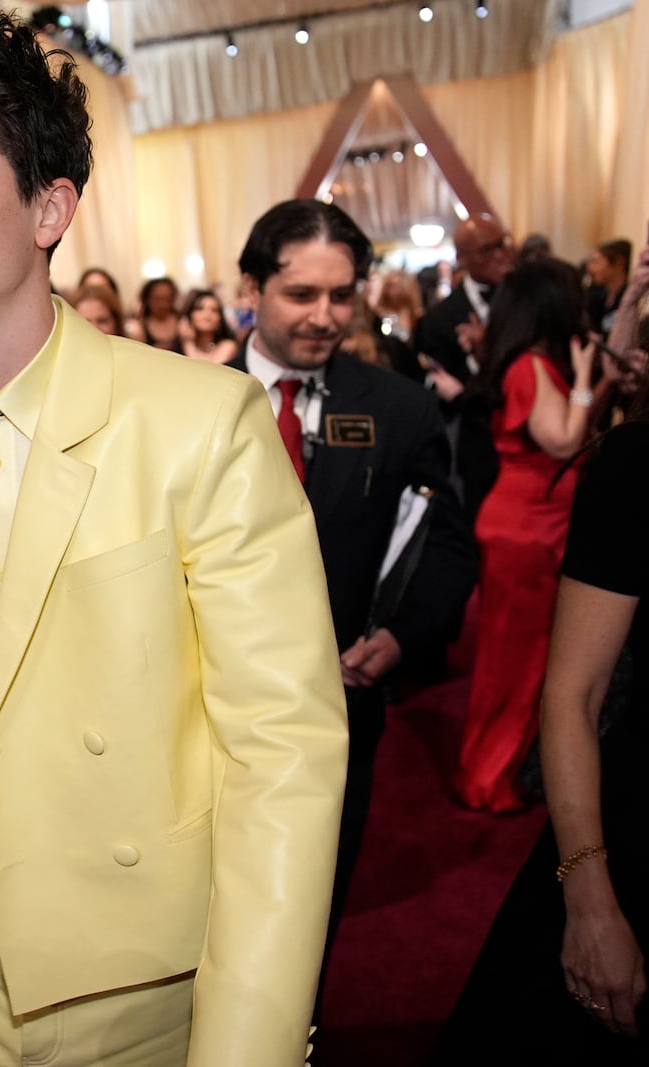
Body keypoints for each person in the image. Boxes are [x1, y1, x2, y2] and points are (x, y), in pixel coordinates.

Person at [0, 10, 348, 1064]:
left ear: (49, 206)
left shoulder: (203, 426)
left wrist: (247, 1040)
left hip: (140, 972)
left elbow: (279, 754)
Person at [226, 200, 478, 1007]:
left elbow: (446, 541)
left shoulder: (398, 407)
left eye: (343, 295)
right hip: (203, 714)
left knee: (305, 920)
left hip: (339, 715)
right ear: (252, 287)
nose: (325, 317)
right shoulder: (184, 399)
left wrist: (402, 636)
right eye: (302, 295)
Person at [432, 364, 649, 1064]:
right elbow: (572, 693)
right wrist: (588, 899)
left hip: (526, 519)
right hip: (523, 527)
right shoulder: (632, 459)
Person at [454, 259, 612, 812]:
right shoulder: (532, 366)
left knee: (525, 656)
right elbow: (564, 441)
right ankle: (488, 775)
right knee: (516, 661)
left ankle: (500, 767)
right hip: (526, 530)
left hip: (530, 524)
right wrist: (590, 381)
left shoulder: (534, 362)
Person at [415, 214, 515, 520]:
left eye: (503, 244)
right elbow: (434, 388)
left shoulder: (526, 305)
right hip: (474, 450)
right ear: (462, 257)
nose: (500, 255)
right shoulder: (439, 319)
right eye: (488, 249)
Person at [178, 287, 238, 363]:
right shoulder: (178, 349)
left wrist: (188, 344)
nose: (207, 315)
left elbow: (204, 373)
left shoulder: (228, 346)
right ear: (189, 315)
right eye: (200, 308)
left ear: (220, 318)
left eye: (214, 310)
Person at [586, 238, 633, 335]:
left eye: (597, 262)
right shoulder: (598, 297)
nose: (590, 268)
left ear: (619, 263)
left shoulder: (630, 299)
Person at [126, 275, 183, 352]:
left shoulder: (182, 322)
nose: (163, 304)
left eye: (167, 299)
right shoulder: (139, 327)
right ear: (147, 299)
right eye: (157, 299)